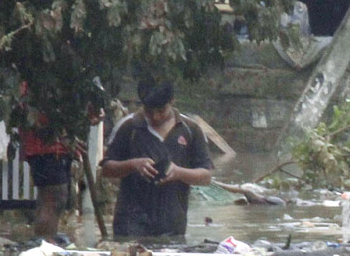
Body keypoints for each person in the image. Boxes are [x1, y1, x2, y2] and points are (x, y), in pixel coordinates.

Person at [101, 79, 213, 240]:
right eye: (149, 110)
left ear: (172, 101)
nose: (155, 116)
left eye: (161, 110)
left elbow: (206, 176)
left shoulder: (191, 130)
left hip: (173, 225)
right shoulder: (128, 126)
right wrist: (133, 164)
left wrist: (179, 172)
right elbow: (106, 169)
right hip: (130, 225)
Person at [18, 97, 83, 242]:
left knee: (49, 199)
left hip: (49, 146)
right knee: (53, 199)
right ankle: (45, 245)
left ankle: (45, 242)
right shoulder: (43, 85)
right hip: (48, 147)